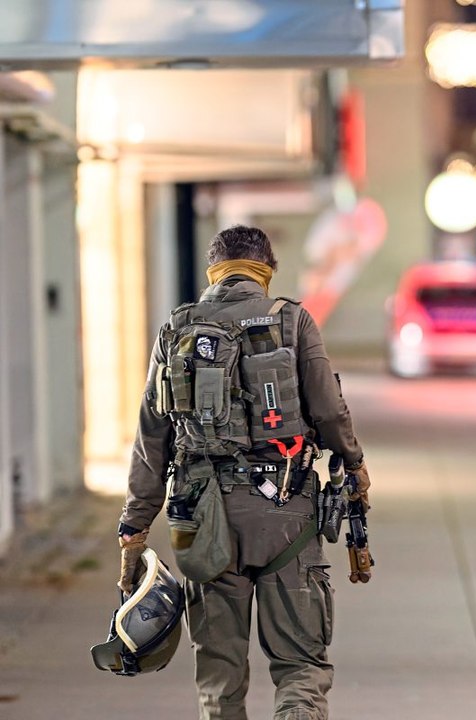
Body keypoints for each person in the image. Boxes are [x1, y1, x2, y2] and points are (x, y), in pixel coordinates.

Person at [116, 225, 371, 720]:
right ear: (266, 271)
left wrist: (134, 526)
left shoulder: (176, 329)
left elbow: (152, 438)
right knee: (301, 664)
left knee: (219, 676)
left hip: (200, 521)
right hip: (286, 517)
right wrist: (356, 466)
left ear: (215, 271)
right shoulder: (293, 321)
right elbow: (329, 411)